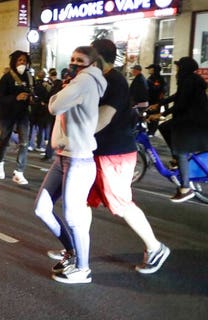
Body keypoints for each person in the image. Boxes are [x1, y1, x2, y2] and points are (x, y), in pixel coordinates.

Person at [76, 39, 170, 277]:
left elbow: (102, 119)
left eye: (85, 58)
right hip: (100, 151)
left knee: (121, 203)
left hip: (114, 153)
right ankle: (76, 249)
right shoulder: (100, 79)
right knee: (84, 201)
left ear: (97, 58)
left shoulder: (114, 82)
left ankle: (156, 247)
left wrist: (72, 137)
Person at [34, 46, 106, 284]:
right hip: (63, 156)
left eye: (81, 60)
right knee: (42, 208)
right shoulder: (77, 83)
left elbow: (54, 106)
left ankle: (83, 269)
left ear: (92, 64)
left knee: (73, 217)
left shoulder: (84, 82)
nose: (75, 63)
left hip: (79, 159)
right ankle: (72, 252)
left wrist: (59, 93)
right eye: (73, 59)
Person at [148, 56, 208, 202]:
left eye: (178, 67)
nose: (176, 69)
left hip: (193, 123)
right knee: (164, 127)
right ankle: (176, 159)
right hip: (192, 120)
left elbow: (181, 103)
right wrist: (160, 104)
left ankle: (185, 188)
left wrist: (161, 113)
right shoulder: (190, 80)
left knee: (181, 150)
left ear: (184, 68)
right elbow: (177, 96)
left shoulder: (188, 81)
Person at [0, 50, 34, 185]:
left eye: (24, 60)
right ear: (14, 62)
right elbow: (0, 98)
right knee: (4, 139)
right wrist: (15, 98)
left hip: (23, 114)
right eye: (19, 60)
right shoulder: (7, 78)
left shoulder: (29, 77)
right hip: (7, 114)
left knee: (24, 142)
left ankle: (19, 171)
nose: (22, 63)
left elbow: (33, 91)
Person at [28, 69, 50, 153]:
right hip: (42, 109)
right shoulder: (47, 85)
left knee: (32, 127)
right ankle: (40, 145)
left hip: (34, 108)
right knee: (41, 128)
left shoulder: (33, 85)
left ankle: (30, 144)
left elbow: (30, 96)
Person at [145, 64, 167, 136]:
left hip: (155, 102)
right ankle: (149, 130)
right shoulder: (150, 78)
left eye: (150, 68)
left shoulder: (160, 79)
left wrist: (150, 84)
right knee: (148, 115)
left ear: (154, 70)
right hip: (149, 101)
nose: (148, 70)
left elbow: (160, 90)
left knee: (154, 116)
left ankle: (152, 131)